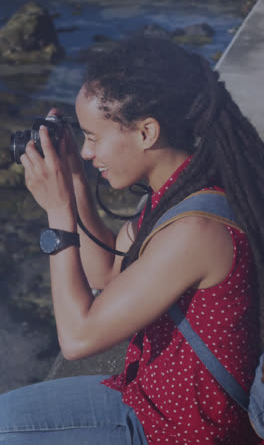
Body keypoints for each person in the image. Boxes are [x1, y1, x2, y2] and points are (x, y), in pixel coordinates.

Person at [0, 34, 264, 445]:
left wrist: (59, 215)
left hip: (174, 430)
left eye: (93, 137)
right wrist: (73, 182)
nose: (87, 152)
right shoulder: (183, 191)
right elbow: (108, 271)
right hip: (149, 397)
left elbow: (78, 338)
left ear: (146, 133)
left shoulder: (195, 232)